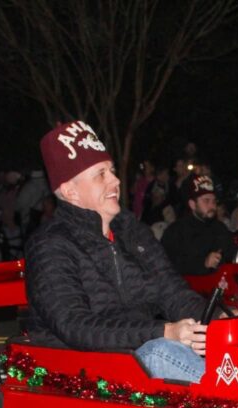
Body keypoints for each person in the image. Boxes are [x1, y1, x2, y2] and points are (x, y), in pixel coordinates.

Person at [26, 120, 209, 383]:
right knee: (161, 352)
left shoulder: (133, 233)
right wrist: (163, 331)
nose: (115, 180)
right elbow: (75, 326)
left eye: (111, 171)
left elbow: (174, 293)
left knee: (219, 349)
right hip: (76, 369)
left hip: (131, 357)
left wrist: (223, 321)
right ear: (70, 191)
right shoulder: (50, 245)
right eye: (101, 174)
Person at [161, 175, 238, 275]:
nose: (212, 206)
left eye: (214, 201)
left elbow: (231, 253)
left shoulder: (220, 229)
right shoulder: (176, 232)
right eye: (206, 201)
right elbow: (167, 267)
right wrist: (203, 264)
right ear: (192, 204)